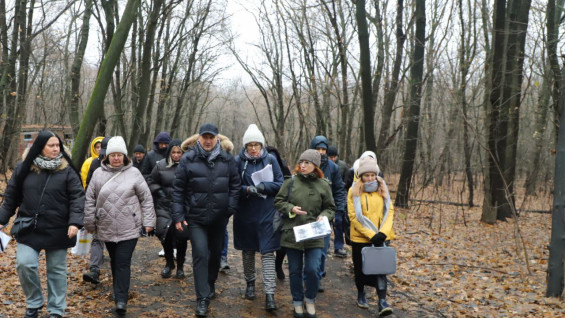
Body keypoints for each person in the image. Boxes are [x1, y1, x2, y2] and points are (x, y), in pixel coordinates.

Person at [0, 130, 85, 318]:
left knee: (56, 271)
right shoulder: (24, 168)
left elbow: (78, 198)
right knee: (24, 264)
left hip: (58, 228)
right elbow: (11, 198)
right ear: (40, 148)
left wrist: (75, 223)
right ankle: (35, 302)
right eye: (51, 146)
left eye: (58, 146)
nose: (56, 149)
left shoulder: (67, 170)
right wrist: (2, 220)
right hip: (29, 227)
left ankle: (56, 310)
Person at [172, 124, 240, 317]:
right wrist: (178, 215)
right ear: (199, 138)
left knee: (215, 254)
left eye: (211, 137)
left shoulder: (227, 160)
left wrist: (230, 208)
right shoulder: (188, 159)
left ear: (217, 138)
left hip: (219, 218)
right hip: (196, 218)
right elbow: (178, 190)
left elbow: (235, 185)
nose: (208, 141)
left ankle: (210, 283)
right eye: (205, 137)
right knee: (200, 253)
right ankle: (202, 298)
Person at [84, 136, 156, 316]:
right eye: (113, 155)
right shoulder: (98, 174)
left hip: (129, 227)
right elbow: (90, 199)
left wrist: (148, 222)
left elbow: (146, 199)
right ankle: (118, 292)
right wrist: (89, 223)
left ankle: (121, 299)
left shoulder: (134, 173)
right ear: (107, 156)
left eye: (119, 155)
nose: (116, 158)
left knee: (123, 262)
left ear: (125, 156)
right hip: (106, 226)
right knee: (115, 261)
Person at [274, 149, 335, 318]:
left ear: (315, 166)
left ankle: (310, 299)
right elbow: (278, 201)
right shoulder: (291, 182)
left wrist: (324, 216)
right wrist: (290, 209)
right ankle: (297, 303)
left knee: (313, 269)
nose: (302, 166)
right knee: (294, 270)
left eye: (307, 163)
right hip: (292, 233)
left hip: (314, 234)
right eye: (301, 162)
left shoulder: (324, 185)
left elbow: (330, 207)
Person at [234, 124, 284, 311]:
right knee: (248, 251)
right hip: (245, 213)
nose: (253, 148)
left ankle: (270, 294)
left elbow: (280, 183)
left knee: (268, 252)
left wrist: (264, 186)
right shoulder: (238, 161)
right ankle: (250, 284)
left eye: (256, 144)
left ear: (262, 145)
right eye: (250, 145)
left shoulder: (271, 159)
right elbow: (232, 186)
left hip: (267, 212)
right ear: (245, 146)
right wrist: (247, 189)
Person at [347, 156, 395, 316]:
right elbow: (354, 217)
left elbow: (390, 212)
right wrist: (371, 234)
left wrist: (382, 233)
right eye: (366, 175)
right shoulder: (353, 191)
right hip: (361, 238)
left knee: (381, 269)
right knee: (360, 269)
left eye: (373, 175)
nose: (370, 178)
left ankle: (382, 301)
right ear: (361, 176)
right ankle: (361, 293)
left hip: (382, 236)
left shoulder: (383, 189)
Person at [310, 136, 346, 294]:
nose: (321, 152)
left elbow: (339, 190)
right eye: (318, 149)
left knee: (322, 249)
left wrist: (339, 210)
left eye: (323, 149)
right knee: (308, 248)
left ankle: (316, 278)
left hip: (325, 216)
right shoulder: (305, 165)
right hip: (307, 215)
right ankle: (308, 275)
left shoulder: (333, 168)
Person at [148, 139, 188, 279]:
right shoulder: (160, 166)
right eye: (174, 152)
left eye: (179, 152)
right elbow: (151, 181)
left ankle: (181, 267)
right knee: (164, 234)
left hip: (182, 207)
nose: (176, 155)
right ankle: (169, 263)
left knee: (181, 236)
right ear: (169, 153)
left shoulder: (188, 166)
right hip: (164, 205)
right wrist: (159, 193)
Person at [82, 136, 111, 284]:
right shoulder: (94, 164)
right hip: (99, 210)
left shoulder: (124, 168)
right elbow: (88, 187)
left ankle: (118, 277)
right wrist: (88, 209)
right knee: (97, 240)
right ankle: (94, 270)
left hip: (116, 212)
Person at [266, 146, 292, 280]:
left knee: (282, 243)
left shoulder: (285, 170)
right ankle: (270, 270)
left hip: (281, 209)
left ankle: (278, 265)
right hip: (264, 208)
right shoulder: (261, 168)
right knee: (268, 241)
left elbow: (290, 189)